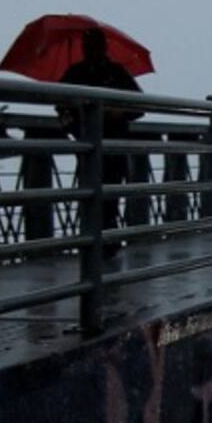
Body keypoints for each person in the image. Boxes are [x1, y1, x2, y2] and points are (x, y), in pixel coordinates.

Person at [57, 27, 143, 256]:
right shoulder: (86, 73)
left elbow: (139, 106)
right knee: (100, 194)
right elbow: (60, 105)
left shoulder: (108, 73)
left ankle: (101, 242)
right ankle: (100, 241)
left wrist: (118, 112)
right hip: (97, 143)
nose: (90, 50)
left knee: (102, 194)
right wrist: (73, 123)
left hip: (107, 144)